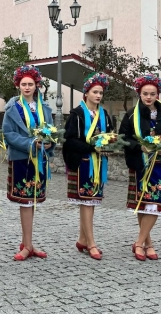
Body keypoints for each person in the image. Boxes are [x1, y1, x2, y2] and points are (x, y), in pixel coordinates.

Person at [119, 74, 161, 261]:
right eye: (145, 93)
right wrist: (141, 147)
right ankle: (148, 243)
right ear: (139, 93)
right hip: (140, 165)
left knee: (156, 203)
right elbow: (124, 138)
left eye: (152, 94)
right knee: (144, 204)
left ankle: (138, 242)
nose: (148, 97)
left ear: (158, 95)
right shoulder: (131, 114)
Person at [3, 65, 54, 261]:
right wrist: (31, 143)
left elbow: (51, 131)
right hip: (21, 159)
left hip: (39, 160)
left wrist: (49, 143)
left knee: (33, 201)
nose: (26, 87)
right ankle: (27, 245)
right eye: (23, 84)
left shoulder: (45, 108)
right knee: (25, 202)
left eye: (30, 84)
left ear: (36, 85)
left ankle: (28, 243)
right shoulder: (12, 109)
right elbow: (8, 134)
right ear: (18, 85)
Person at [62, 73, 115, 260]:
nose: (98, 96)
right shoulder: (77, 114)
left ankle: (82, 239)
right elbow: (69, 141)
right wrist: (93, 147)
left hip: (99, 164)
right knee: (86, 202)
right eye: (95, 92)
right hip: (83, 163)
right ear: (86, 93)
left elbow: (109, 136)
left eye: (101, 92)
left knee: (91, 202)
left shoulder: (105, 115)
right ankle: (91, 243)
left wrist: (109, 146)